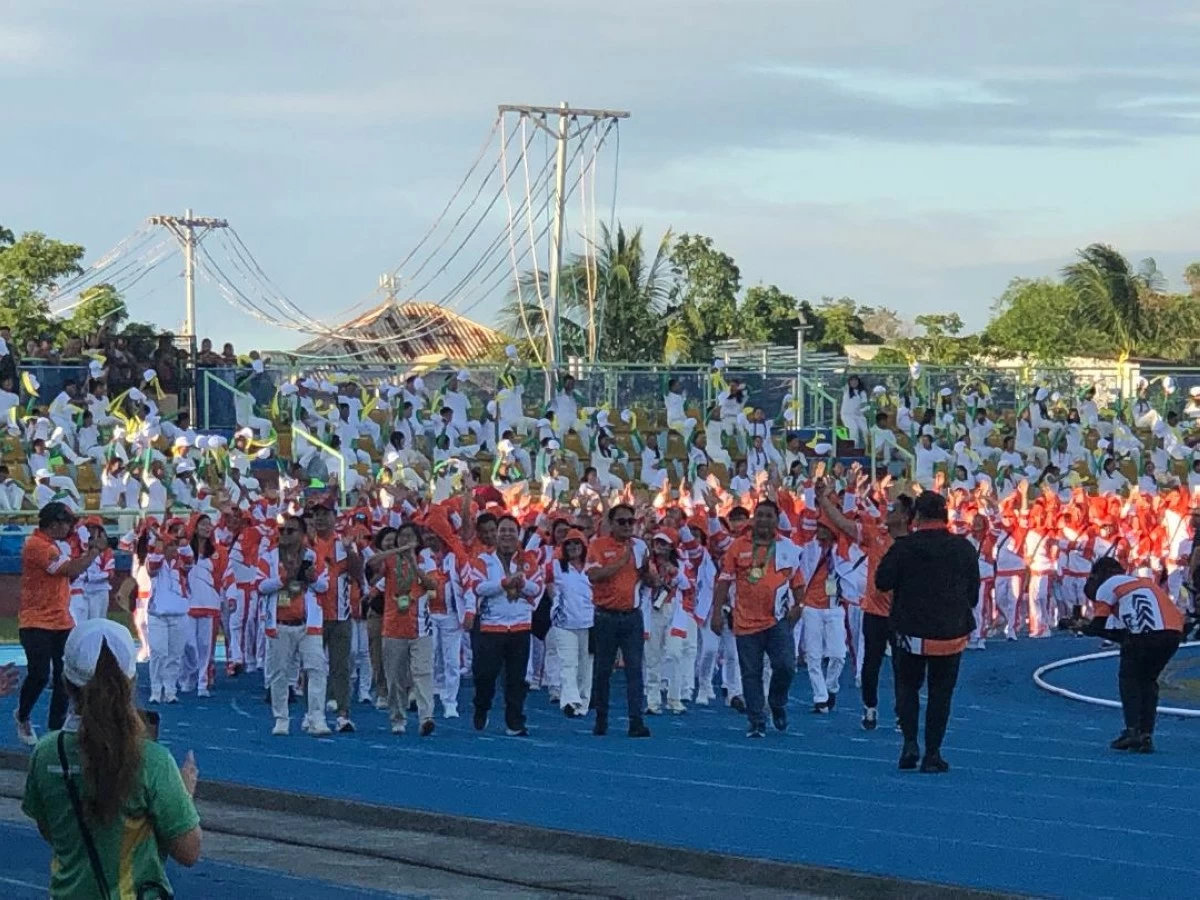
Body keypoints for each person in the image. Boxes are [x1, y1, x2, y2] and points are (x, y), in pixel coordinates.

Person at [21, 619, 201, 898]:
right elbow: (189, 851)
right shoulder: (152, 760)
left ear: (67, 683)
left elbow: (52, 832)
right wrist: (184, 794)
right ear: (131, 683)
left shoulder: (45, 753)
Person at [875, 491, 979, 773]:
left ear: (915, 517)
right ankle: (933, 753)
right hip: (951, 634)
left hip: (911, 632)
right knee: (941, 693)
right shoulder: (964, 548)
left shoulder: (904, 547)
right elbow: (974, 594)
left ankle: (909, 743)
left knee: (907, 687)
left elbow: (882, 582)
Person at [712, 499, 806, 737]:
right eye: (760, 515)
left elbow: (798, 581)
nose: (764, 520)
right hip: (745, 621)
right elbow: (723, 581)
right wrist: (716, 612)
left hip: (777, 620)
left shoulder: (788, 548)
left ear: (777, 520)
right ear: (754, 518)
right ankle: (756, 720)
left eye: (769, 516)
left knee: (785, 666)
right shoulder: (737, 547)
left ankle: (777, 702)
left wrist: (799, 606)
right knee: (750, 673)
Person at [16, 502, 103, 746]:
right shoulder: (37, 546)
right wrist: (93, 552)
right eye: (67, 523)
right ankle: (23, 715)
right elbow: (68, 569)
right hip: (36, 619)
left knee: (65, 676)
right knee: (40, 673)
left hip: (60, 619)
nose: (70, 528)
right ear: (55, 524)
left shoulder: (53, 546)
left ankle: (55, 729)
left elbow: (70, 572)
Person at [1082, 557, 1184, 753]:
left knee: (1129, 678)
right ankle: (1146, 734)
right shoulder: (1144, 582)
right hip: (1173, 632)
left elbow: (1098, 626)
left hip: (1145, 633)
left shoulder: (1107, 587)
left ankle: (1132, 730)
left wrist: (1082, 626)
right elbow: (1123, 634)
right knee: (1148, 680)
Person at [465, 515, 544, 736]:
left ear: (518, 534)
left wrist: (522, 582)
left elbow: (537, 588)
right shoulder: (484, 559)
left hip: (520, 626)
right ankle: (481, 706)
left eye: (511, 530)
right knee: (485, 675)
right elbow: (478, 586)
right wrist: (504, 583)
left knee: (516, 679)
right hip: (491, 627)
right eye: (503, 531)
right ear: (496, 535)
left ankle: (515, 721)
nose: (507, 535)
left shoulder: (528, 559)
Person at [587, 504, 652, 738]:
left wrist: (648, 571)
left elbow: (650, 580)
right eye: (622, 521)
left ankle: (636, 720)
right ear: (612, 523)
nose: (627, 526)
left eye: (630, 522)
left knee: (635, 669)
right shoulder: (598, 545)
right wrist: (622, 560)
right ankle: (601, 718)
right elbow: (594, 575)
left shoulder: (640, 546)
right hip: (606, 615)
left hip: (632, 616)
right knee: (603, 670)